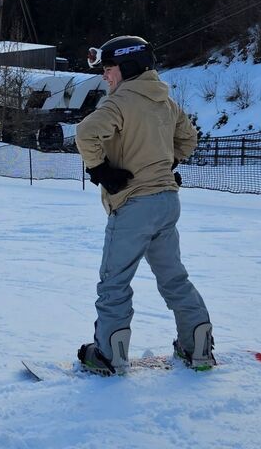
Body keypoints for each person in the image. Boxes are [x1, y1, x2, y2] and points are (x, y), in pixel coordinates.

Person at [73, 35, 212, 376]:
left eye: (109, 69)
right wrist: (164, 164)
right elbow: (189, 139)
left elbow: (85, 133)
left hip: (134, 206)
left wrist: (103, 172)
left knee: (114, 282)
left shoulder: (119, 103)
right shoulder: (165, 101)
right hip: (167, 202)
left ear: (128, 67)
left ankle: (108, 355)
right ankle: (198, 346)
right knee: (174, 279)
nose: (106, 76)